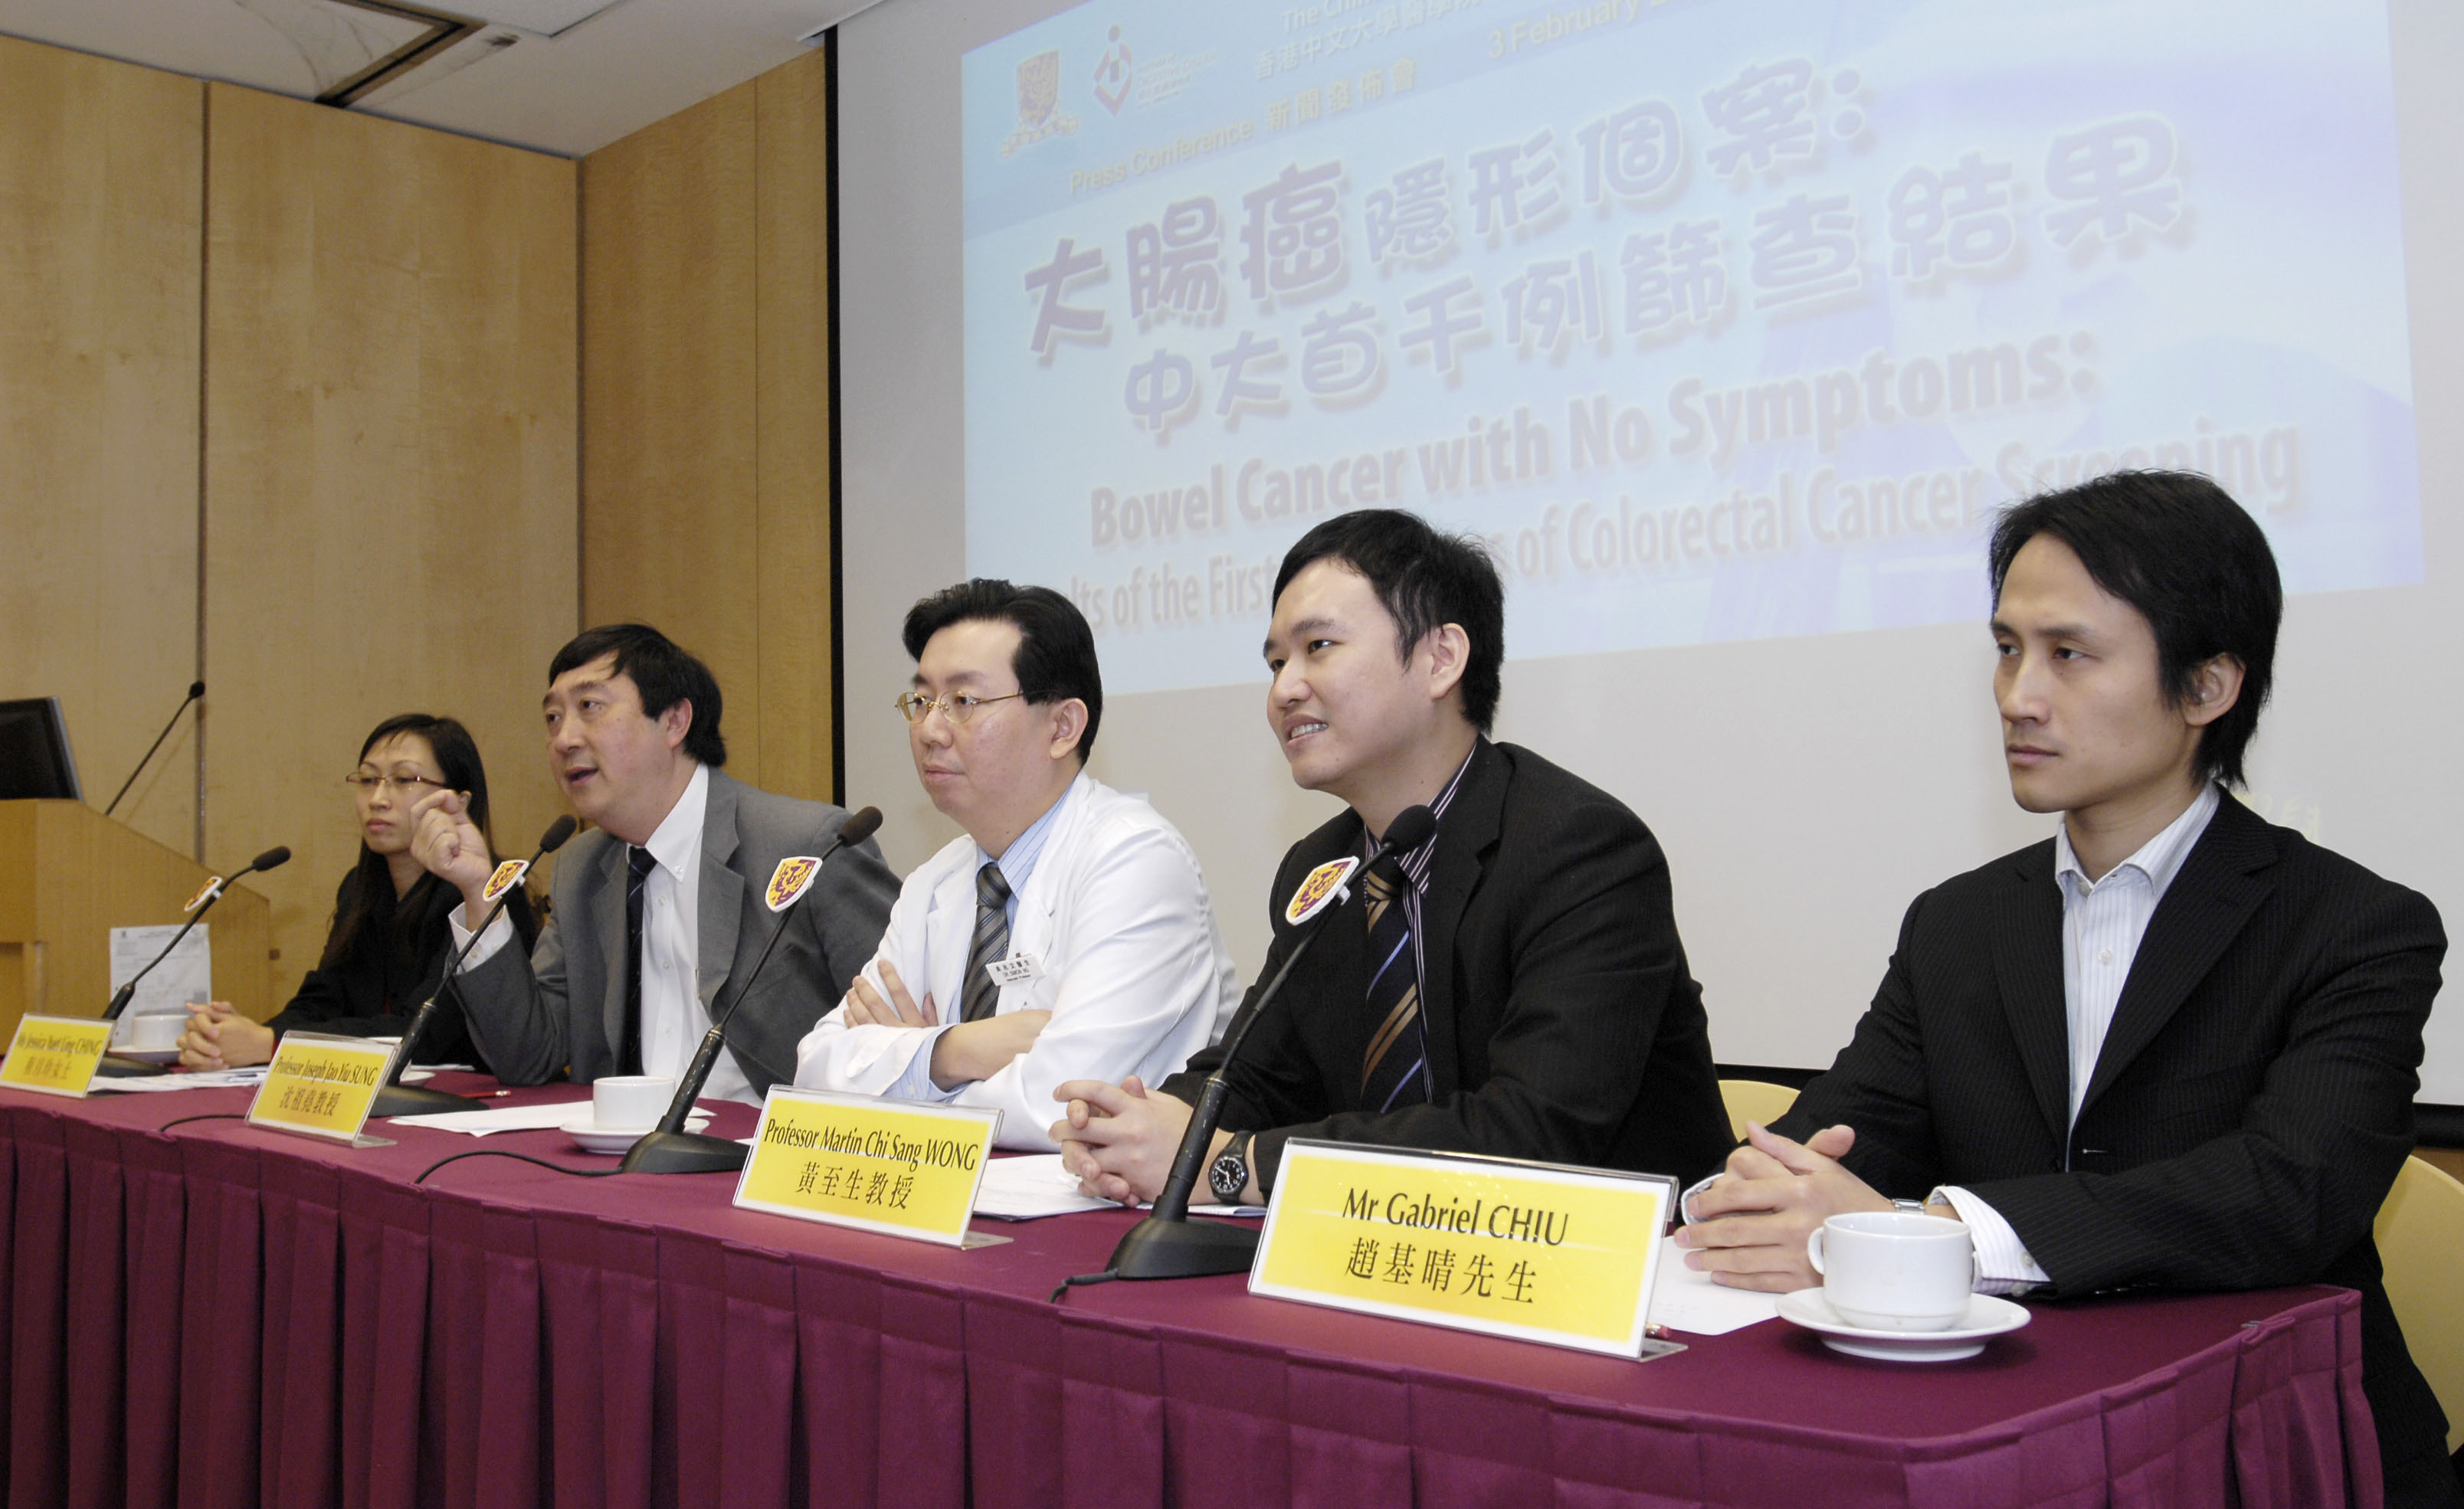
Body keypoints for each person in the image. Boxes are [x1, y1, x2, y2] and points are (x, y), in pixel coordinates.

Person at [1675, 471, 2456, 1508]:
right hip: (2004, 1432)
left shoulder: (2353, 924)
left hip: (2265, 1444)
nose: (2017, 696)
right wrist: (1766, 1193)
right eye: (2006, 649)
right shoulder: (1959, 922)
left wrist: (1946, 1235)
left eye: (2069, 656)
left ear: (2208, 687)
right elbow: (1846, 1135)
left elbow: (2288, 1190)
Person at [1050, 509, 1732, 1206]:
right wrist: (1143, 1128)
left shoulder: (1579, 850)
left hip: (1620, 1280)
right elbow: (1256, 1078)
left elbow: (1532, 1134)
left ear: (1440, 660)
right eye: (1277, 661)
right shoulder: (1324, 867)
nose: (1284, 688)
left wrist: (1230, 1165)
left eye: (1318, 647)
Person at [794, 581, 1234, 1150]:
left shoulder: (1135, 858)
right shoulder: (937, 880)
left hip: (1101, 1219)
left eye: (964, 702)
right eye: (923, 700)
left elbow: (1059, 1104)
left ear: (1062, 728)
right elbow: (816, 1070)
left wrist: (902, 1072)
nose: (929, 729)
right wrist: (960, 1050)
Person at [408, 624, 899, 1101]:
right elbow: (528, 1055)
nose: (563, 740)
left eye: (589, 707)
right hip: (633, 1156)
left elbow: (904, 1029)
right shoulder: (582, 867)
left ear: (674, 722)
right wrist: (478, 891)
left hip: (771, 1157)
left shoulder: (805, 846)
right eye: (553, 718)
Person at [176, 713, 538, 1071]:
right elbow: (321, 1001)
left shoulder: (487, 896)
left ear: (458, 801)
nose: (378, 798)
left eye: (403, 779)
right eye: (367, 780)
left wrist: (272, 1044)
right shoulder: (360, 891)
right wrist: (249, 1036)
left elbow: (425, 1034)